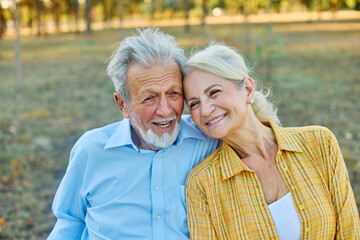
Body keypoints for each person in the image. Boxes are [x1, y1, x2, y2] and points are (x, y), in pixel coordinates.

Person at [48, 28, 220, 239]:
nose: (166, 110)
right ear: (123, 105)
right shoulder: (91, 151)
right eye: (149, 98)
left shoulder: (207, 139)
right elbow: (70, 222)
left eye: (173, 94)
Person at [183, 44, 360, 239]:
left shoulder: (319, 143)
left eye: (214, 92)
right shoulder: (202, 184)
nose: (205, 110)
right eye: (194, 103)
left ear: (248, 89)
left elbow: (350, 231)